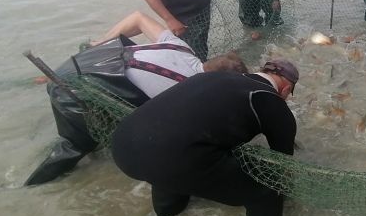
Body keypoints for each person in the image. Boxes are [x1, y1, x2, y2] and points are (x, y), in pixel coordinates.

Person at [24, 11, 247, 186]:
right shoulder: (187, 92)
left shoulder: (182, 48)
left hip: (76, 63)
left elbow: (138, 18)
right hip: (70, 90)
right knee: (77, 145)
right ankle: (29, 187)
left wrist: (101, 41)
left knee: (91, 128)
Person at [111, 59, 299, 216]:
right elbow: (282, 162)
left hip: (124, 146)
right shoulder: (271, 101)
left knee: (170, 156)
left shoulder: (211, 77)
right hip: (174, 160)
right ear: (286, 89)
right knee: (267, 189)